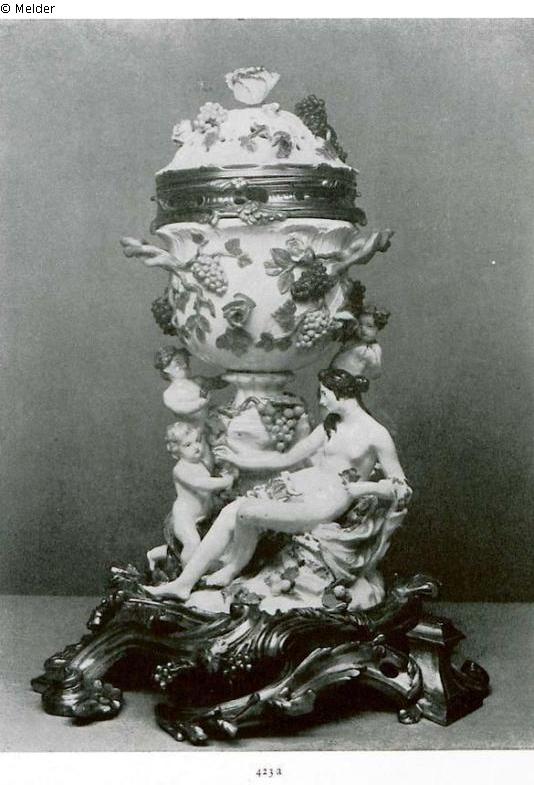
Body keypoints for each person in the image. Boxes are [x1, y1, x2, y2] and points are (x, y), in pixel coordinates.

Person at [145, 369, 411, 601]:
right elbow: (287, 458)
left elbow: (401, 487)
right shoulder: (331, 425)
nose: (321, 401)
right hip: (301, 485)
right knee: (232, 510)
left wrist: (363, 489)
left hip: (328, 501)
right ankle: (183, 584)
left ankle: (233, 568)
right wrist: (240, 460)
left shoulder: (376, 434)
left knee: (247, 512)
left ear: (341, 394)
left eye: (324, 394)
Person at [146, 421, 236, 570]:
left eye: (197, 441)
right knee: (192, 543)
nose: (196, 447)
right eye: (188, 445)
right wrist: (225, 481)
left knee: (199, 546)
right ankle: (188, 574)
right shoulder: (180, 469)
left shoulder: (200, 462)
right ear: (176, 451)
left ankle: (154, 554)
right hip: (184, 517)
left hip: (203, 516)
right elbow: (201, 483)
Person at [331, 305, 390, 380]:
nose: (363, 329)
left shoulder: (374, 348)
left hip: (348, 379)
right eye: (360, 324)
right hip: (332, 372)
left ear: (378, 328)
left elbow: (375, 373)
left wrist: (371, 359)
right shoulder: (353, 337)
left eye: (369, 326)